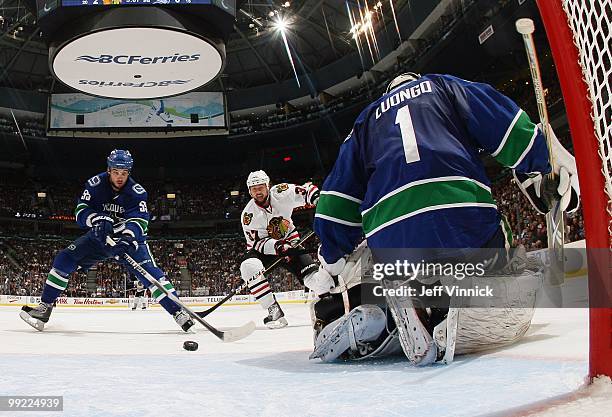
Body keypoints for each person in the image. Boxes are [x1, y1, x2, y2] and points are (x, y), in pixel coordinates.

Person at [309, 73, 580, 364]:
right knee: (501, 254)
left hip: (393, 242)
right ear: (416, 80)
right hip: (461, 218)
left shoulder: (364, 122)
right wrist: (543, 163)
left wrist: (332, 253)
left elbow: (335, 203)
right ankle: (449, 306)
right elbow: (507, 129)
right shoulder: (445, 86)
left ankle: (393, 308)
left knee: (372, 253)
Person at [20, 150, 193, 332]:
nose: (120, 177)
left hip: (129, 243)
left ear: (129, 172)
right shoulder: (95, 185)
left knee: (150, 275)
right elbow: (81, 211)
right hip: (99, 239)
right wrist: (95, 219)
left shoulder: (136, 192)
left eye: (124, 173)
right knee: (64, 259)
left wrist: (127, 237)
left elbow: (140, 220)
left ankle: (178, 312)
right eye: (116, 172)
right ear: (109, 170)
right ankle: (44, 307)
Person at [239, 170, 334, 328]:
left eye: (260, 187)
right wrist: (279, 247)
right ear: (249, 191)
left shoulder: (282, 193)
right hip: (264, 250)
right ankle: (273, 310)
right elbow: (257, 243)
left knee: (316, 279)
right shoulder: (248, 215)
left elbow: (306, 190)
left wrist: (319, 201)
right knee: (249, 267)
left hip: (291, 243)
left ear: (268, 186)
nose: (257, 191)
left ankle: (332, 303)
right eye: (253, 188)